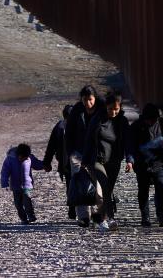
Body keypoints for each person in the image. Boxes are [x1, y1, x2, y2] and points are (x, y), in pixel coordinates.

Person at [83, 91, 130, 231]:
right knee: (105, 186)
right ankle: (111, 218)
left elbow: (128, 142)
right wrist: (85, 160)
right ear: (105, 107)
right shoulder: (97, 120)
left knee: (108, 191)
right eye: (110, 109)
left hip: (115, 160)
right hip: (98, 160)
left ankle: (100, 219)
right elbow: (89, 140)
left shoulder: (123, 121)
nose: (113, 112)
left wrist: (130, 160)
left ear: (120, 107)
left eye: (116, 109)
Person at [126, 103, 163, 227]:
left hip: (158, 163)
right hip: (142, 164)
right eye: (149, 119)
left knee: (161, 186)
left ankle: (162, 213)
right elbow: (130, 146)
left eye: (154, 119)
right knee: (143, 190)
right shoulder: (135, 127)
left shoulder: (161, 125)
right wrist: (130, 160)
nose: (152, 122)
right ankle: (145, 216)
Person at [64, 85, 100, 226]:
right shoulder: (77, 111)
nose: (87, 103)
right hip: (78, 153)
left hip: (96, 153)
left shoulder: (101, 110)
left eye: (90, 99)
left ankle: (98, 214)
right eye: (85, 100)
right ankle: (84, 217)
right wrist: (70, 152)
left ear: (95, 98)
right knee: (80, 183)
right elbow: (69, 132)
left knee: (96, 182)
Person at [1, 143, 45, 224]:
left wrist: (45, 165)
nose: (23, 160)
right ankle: (23, 219)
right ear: (18, 155)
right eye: (22, 158)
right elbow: (5, 171)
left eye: (25, 158)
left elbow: (37, 164)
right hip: (15, 185)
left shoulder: (29, 158)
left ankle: (31, 216)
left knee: (27, 201)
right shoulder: (10, 159)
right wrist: (4, 182)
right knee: (18, 204)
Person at [43, 104, 74, 219]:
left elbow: (51, 146)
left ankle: (72, 209)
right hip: (76, 162)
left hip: (65, 163)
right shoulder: (80, 124)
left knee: (70, 185)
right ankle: (78, 209)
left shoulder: (59, 126)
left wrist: (47, 162)